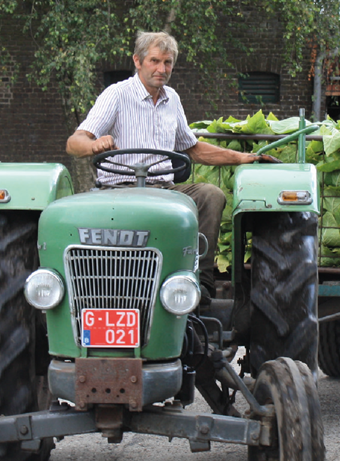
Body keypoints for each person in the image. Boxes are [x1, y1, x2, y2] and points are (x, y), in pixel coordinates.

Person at [66, 31, 277, 307]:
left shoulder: (172, 99)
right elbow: (74, 143)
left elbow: (193, 148)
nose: (161, 69)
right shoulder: (117, 95)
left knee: (210, 195)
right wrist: (93, 146)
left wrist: (243, 157)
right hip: (119, 189)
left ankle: (200, 281)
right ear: (138, 61)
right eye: (154, 61)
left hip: (164, 189)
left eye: (167, 63)